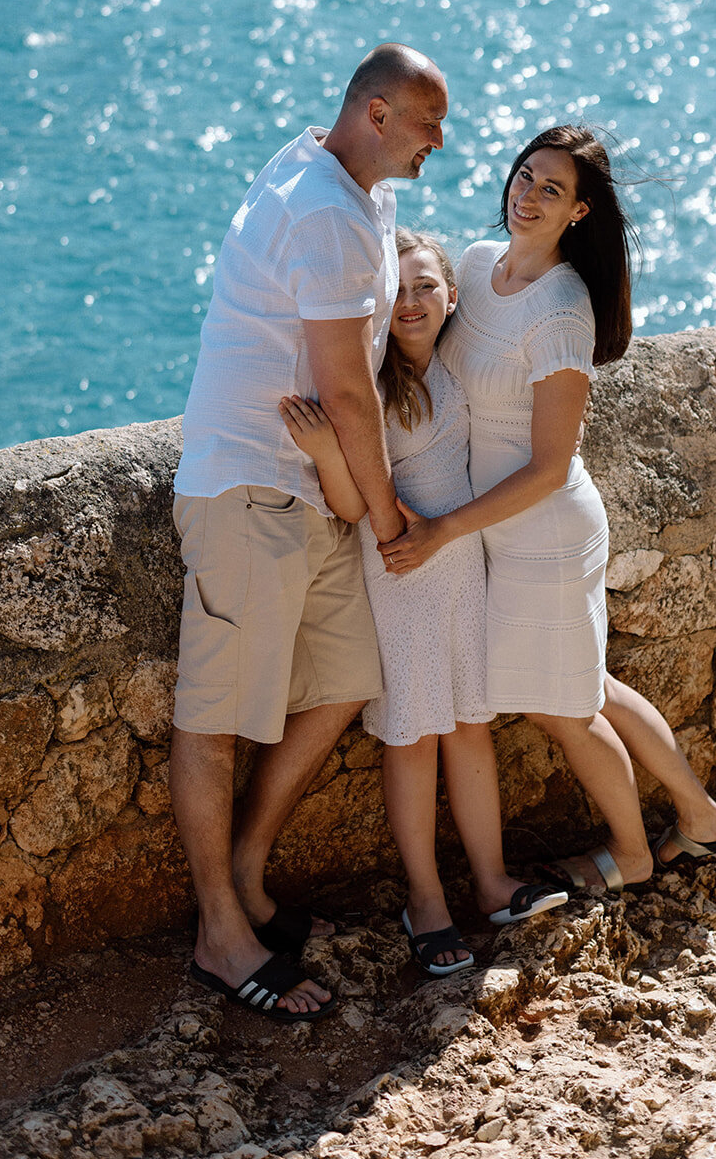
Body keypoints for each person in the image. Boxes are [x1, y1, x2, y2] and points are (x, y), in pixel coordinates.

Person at [380, 126, 716, 895]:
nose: (529, 194)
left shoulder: (562, 310)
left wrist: (442, 527)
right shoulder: (475, 268)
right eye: (525, 175)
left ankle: (634, 854)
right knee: (589, 687)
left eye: (552, 189)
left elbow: (548, 468)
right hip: (493, 532)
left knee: (566, 709)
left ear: (579, 213)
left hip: (539, 533)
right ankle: (701, 816)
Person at [170, 43, 448, 1020]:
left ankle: (246, 867)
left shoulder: (336, 175)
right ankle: (219, 931)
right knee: (213, 717)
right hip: (250, 485)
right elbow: (342, 387)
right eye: (426, 122)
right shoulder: (327, 211)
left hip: (307, 482)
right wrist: (384, 514)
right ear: (374, 114)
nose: (438, 142)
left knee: (343, 682)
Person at [279, 229, 567, 978]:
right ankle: (426, 902)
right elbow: (350, 507)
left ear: (450, 296)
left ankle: (494, 879)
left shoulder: (457, 365)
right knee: (412, 738)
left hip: (463, 564)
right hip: (404, 573)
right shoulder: (369, 386)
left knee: (471, 728)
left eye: (425, 287)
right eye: (396, 290)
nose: (410, 303)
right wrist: (326, 454)